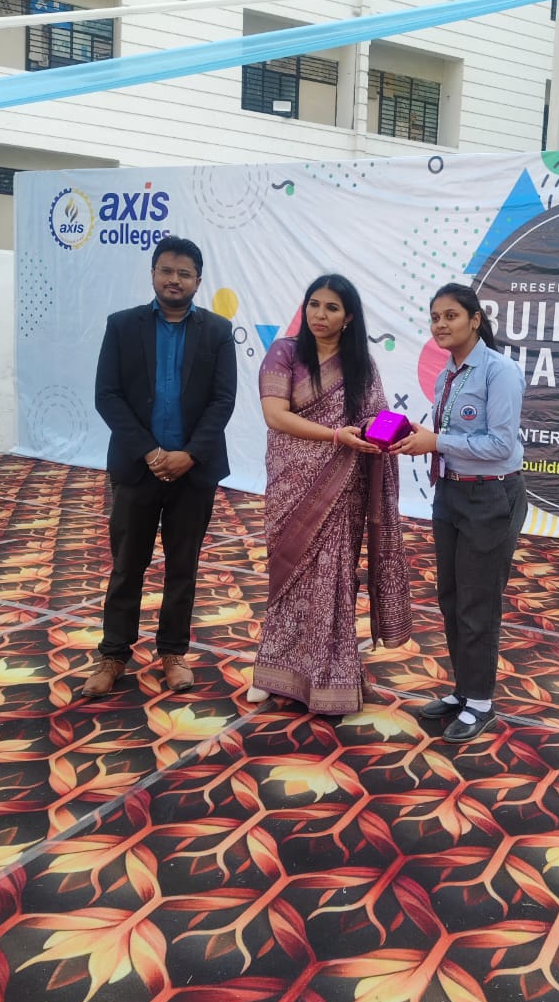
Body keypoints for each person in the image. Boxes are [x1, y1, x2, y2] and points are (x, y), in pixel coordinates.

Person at [82, 236, 237, 697]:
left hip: (194, 471)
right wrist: (150, 452)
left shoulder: (217, 330)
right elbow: (107, 395)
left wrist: (189, 454)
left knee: (182, 567)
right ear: (153, 274)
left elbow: (223, 400)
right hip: (137, 467)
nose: (174, 280)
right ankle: (113, 655)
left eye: (184, 274)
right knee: (127, 566)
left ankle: (173, 652)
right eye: (167, 270)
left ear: (198, 282)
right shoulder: (122, 326)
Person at [252, 274, 411, 713]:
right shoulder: (284, 353)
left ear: (349, 317)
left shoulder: (361, 364)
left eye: (331, 308)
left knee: (335, 581)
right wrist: (336, 435)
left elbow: (376, 417)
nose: (319, 315)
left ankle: (331, 675)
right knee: (289, 577)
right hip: (292, 485)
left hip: (345, 487)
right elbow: (275, 416)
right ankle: (273, 668)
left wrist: (383, 430)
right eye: (314, 304)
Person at [392, 283, 526, 743]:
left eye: (451, 316)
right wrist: (421, 436)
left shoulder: (499, 371)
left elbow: (500, 445)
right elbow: (451, 435)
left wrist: (437, 441)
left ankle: (482, 704)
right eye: (435, 317)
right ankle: (465, 691)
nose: (441, 325)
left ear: (475, 319)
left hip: (491, 496)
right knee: (451, 598)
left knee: (478, 601)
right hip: (450, 492)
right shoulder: (447, 374)